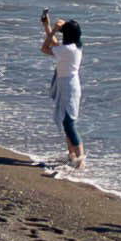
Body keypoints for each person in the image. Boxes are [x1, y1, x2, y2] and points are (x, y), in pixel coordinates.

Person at [38, 9, 85, 172]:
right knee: (66, 122)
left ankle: (80, 158)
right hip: (67, 84)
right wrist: (48, 26)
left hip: (69, 87)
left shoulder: (68, 50)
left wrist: (54, 30)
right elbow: (55, 45)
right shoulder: (73, 47)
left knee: (69, 123)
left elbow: (45, 48)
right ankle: (72, 156)